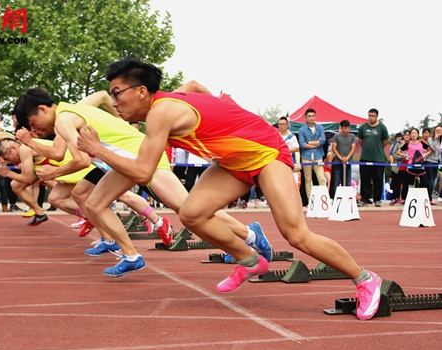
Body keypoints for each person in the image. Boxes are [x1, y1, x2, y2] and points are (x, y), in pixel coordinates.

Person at [83, 55, 383, 320]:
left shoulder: (161, 112)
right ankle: (250, 259)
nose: (114, 101)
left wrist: (98, 148)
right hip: (233, 161)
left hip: (265, 153)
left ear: (141, 91)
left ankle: (366, 279)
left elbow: (143, 171)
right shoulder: (171, 99)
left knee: (296, 235)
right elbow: (197, 85)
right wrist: (221, 117)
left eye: (117, 93)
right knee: (191, 213)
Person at [14, 88, 267, 272]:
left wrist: (53, 173)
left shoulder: (64, 119)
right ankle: (132, 256)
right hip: (126, 158)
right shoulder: (70, 111)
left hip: (143, 153)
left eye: (32, 123)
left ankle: (250, 234)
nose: (34, 130)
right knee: (95, 204)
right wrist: (30, 142)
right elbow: (59, 153)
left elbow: (81, 161)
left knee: (187, 208)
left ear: (43, 109)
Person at [298, 108, 326, 202]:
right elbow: (302, 144)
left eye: (313, 116)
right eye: (309, 116)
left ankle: (324, 199)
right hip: (307, 157)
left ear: (315, 116)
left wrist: (309, 142)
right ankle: (311, 201)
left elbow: (323, 141)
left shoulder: (320, 127)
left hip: (318, 156)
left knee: (321, 178)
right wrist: (316, 142)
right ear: (305, 117)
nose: (311, 118)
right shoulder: (302, 129)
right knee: (308, 180)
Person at [397, 128, 432, 201]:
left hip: (420, 166)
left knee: (426, 182)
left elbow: (430, 150)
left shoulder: (421, 143)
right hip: (411, 166)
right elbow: (398, 152)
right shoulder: (408, 144)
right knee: (408, 183)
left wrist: (423, 156)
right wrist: (406, 155)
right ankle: (405, 199)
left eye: (415, 133)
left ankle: (426, 199)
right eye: (412, 133)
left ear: (418, 134)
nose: (413, 135)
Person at [331, 120, 357, 195]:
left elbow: (353, 148)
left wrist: (347, 158)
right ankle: (336, 197)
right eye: (344, 128)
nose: (346, 130)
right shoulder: (336, 136)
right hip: (338, 162)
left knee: (347, 181)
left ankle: (347, 197)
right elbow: (334, 148)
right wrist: (341, 158)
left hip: (348, 162)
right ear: (341, 128)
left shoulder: (352, 136)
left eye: (348, 128)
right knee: (336, 181)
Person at [389, 130, 410, 205]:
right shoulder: (398, 144)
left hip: (408, 168)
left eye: (409, 135)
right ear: (403, 136)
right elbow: (393, 154)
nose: (407, 136)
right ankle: (394, 198)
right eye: (406, 135)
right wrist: (402, 157)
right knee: (396, 184)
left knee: (406, 184)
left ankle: (404, 198)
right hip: (398, 167)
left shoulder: (411, 144)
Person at [278, 117, 300, 185]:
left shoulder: (292, 136)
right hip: (278, 161)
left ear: (287, 125)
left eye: (283, 124)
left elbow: (297, 148)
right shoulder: (276, 135)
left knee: (290, 181)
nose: (282, 126)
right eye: (280, 124)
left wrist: (285, 150)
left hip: (289, 160)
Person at [423, 128, 440, 205]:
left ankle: (430, 197)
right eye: (437, 130)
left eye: (440, 130)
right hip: (429, 161)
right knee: (430, 181)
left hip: (437, 162)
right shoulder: (430, 139)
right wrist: (436, 139)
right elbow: (433, 148)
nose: (438, 131)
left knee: (434, 181)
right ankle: (428, 198)